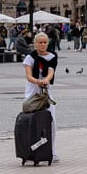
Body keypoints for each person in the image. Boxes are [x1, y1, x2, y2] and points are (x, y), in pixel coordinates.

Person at [23, 31, 58, 159]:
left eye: (45, 42)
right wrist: (38, 81)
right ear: (35, 44)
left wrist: (46, 80)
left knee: (51, 120)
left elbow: (51, 72)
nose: (43, 45)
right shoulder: (30, 58)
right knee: (32, 121)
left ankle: (51, 151)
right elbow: (28, 76)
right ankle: (32, 150)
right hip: (33, 92)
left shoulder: (52, 56)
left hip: (46, 92)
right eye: (40, 42)